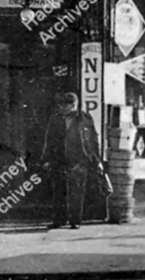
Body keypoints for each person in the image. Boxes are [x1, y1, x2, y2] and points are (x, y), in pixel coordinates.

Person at [40, 92, 102, 229]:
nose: (62, 108)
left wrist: (96, 159)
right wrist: (46, 158)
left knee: (77, 191)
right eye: (61, 105)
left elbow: (93, 140)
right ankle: (59, 219)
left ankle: (75, 220)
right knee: (59, 191)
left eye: (65, 106)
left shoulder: (85, 118)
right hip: (59, 158)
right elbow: (49, 140)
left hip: (80, 159)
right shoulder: (55, 119)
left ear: (74, 105)